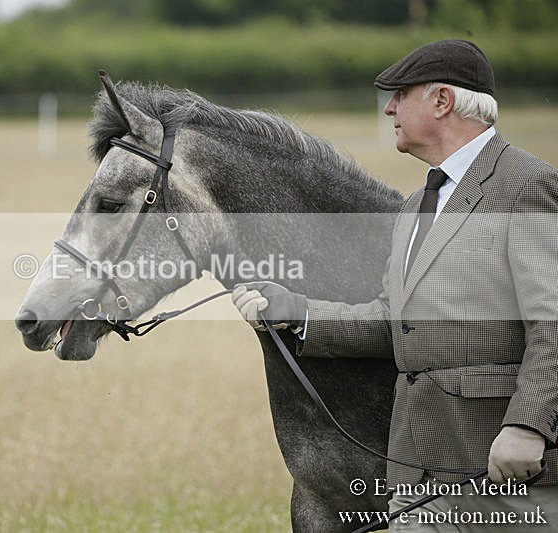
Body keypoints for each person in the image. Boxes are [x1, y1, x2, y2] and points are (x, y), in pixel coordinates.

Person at [232, 40, 557, 531]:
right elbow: (395, 320)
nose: (389, 109)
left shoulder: (527, 185)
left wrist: (527, 425)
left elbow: (551, 322)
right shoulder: (416, 204)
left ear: (442, 100)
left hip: (504, 472)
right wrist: (299, 312)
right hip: (416, 475)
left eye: (401, 95)